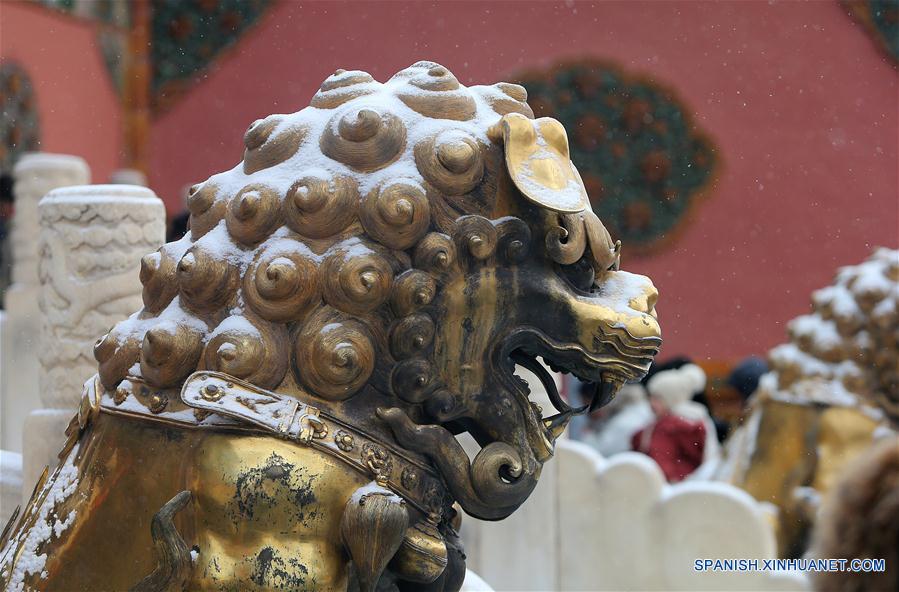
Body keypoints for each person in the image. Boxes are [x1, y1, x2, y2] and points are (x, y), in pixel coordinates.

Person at [631, 364, 713, 482]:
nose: (651, 403)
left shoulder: (667, 428)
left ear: (672, 399)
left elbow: (661, 463)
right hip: (688, 482)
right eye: (651, 397)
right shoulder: (697, 420)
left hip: (666, 485)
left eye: (658, 398)